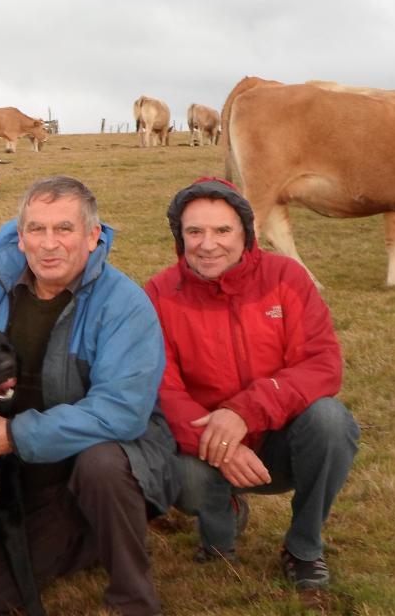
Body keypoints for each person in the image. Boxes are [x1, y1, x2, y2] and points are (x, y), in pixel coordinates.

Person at [0, 175, 177, 616]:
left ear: (93, 235)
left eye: (64, 229)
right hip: (18, 471)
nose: (49, 244)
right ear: (20, 238)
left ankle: (131, 593)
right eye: (36, 230)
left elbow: (122, 412)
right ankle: (81, 530)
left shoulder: (124, 304)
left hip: (101, 456)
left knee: (101, 466)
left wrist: (17, 434)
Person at [144, 178, 358, 592]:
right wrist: (223, 443)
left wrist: (243, 413)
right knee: (181, 477)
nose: (208, 244)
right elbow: (161, 388)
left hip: (279, 441)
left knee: (332, 422)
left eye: (223, 230)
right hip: (204, 444)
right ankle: (222, 522)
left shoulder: (286, 278)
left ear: (247, 233)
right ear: (179, 236)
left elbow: (322, 365)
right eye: (195, 231)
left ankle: (303, 547)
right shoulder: (158, 294)